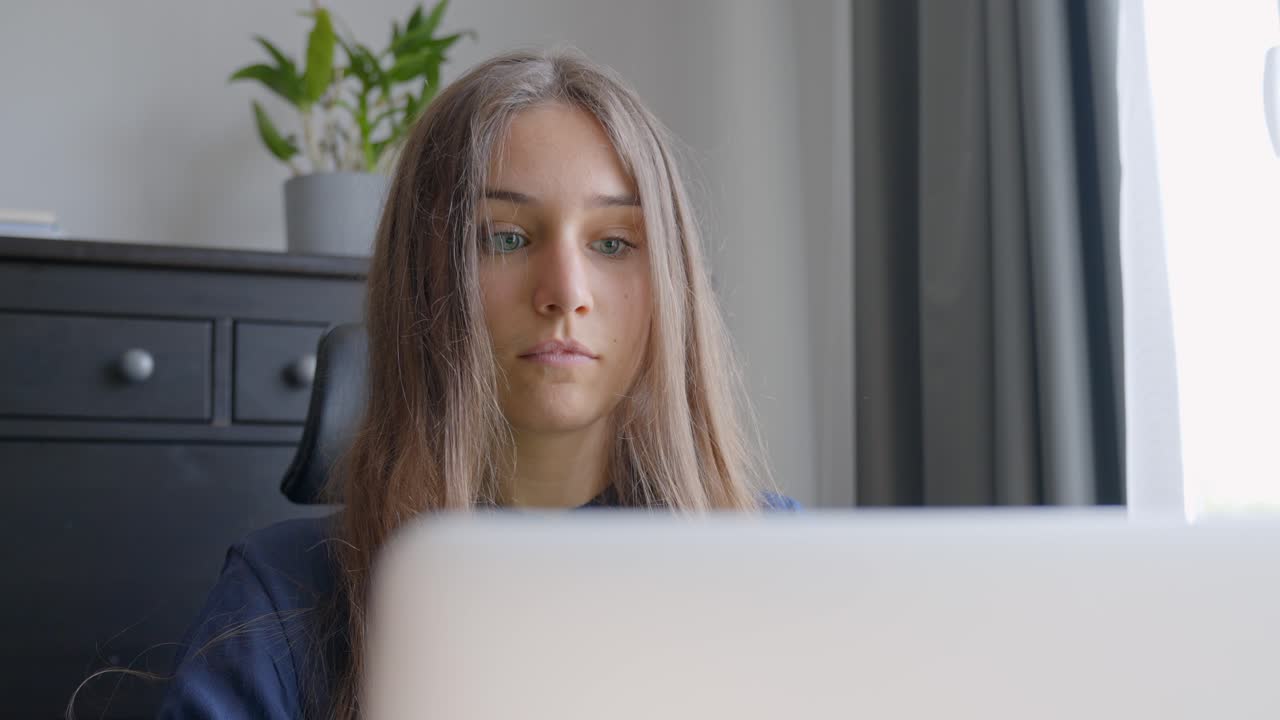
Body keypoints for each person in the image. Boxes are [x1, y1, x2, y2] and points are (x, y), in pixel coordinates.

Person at [156, 48, 799, 720]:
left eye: (613, 243)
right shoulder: (282, 600)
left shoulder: (783, 565)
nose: (566, 294)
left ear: (673, 285)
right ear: (425, 280)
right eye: (505, 237)